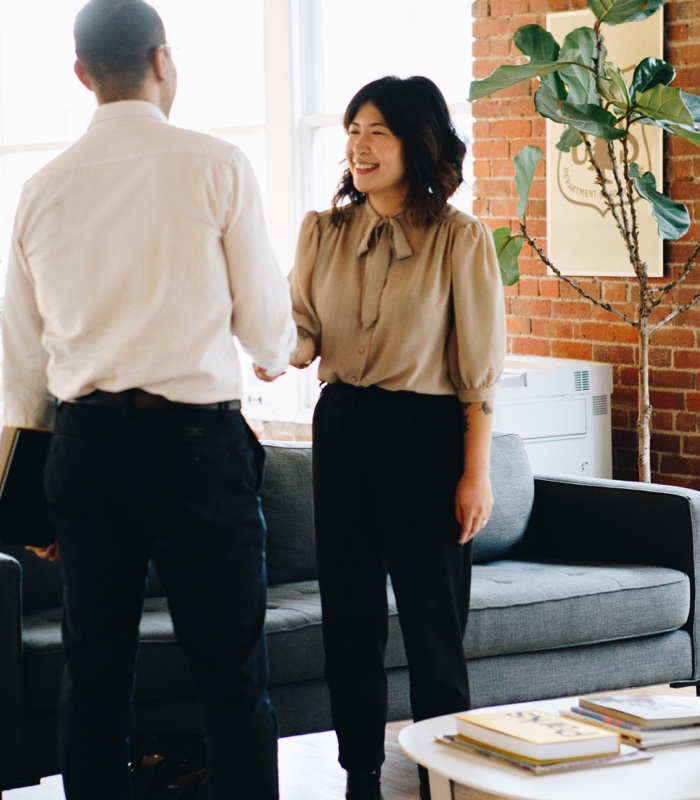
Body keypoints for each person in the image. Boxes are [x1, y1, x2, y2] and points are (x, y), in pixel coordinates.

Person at [2, 1, 296, 799]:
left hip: (84, 451)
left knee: (93, 676)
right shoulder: (216, 164)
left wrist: (31, 504)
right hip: (195, 450)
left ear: (81, 75)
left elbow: (22, 365)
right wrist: (274, 357)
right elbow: (268, 326)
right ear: (163, 61)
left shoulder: (40, 188)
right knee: (231, 675)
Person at [287, 76, 506, 800]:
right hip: (342, 424)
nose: (358, 145)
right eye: (353, 129)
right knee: (348, 617)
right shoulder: (324, 231)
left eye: (376, 130)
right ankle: (360, 774)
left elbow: (477, 375)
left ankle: (447, 774)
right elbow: (298, 336)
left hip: (426, 435)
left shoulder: (458, 237)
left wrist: (476, 472)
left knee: (432, 623)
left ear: (418, 140)